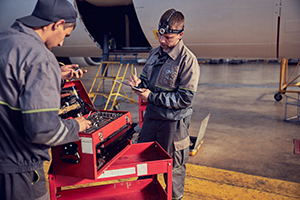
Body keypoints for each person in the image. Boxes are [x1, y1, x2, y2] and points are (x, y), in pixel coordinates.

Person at [0, 0, 91, 199]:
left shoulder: (5, 39)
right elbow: (42, 131)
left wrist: (55, 74)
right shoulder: (41, 57)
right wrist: (75, 126)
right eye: (65, 35)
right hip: (19, 174)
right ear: (57, 24)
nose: (61, 43)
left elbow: (12, 83)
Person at [128, 9, 200, 200]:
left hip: (173, 125)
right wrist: (138, 85)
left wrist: (151, 97)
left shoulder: (188, 61)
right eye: (160, 35)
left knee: (173, 168)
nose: (162, 41)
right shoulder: (154, 54)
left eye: (168, 37)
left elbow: (184, 99)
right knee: (144, 163)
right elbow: (145, 80)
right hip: (152, 119)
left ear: (180, 35)